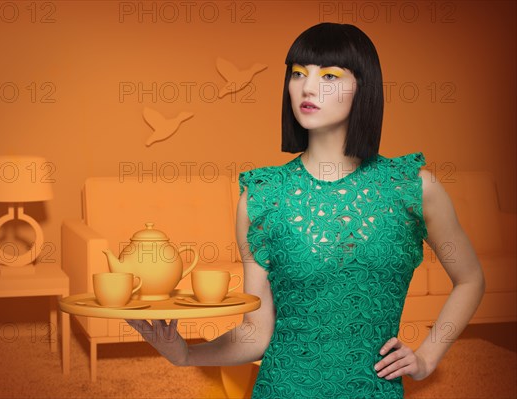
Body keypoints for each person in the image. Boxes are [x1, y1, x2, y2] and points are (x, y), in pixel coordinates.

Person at [126, 22, 486, 398]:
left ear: (365, 86)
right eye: (298, 74)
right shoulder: (262, 198)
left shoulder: (412, 187)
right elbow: (256, 333)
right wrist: (185, 355)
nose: (307, 87)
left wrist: (428, 357)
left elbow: (471, 279)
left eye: (328, 75)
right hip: (282, 388)